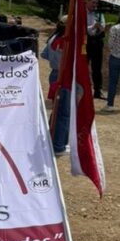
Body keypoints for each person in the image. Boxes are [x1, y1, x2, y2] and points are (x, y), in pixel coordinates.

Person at [41, 16, 70, 156]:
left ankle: (52, 138)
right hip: (63, 76)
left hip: (55, 73)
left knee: (57, 109)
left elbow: (44, 54)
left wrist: (54, 60)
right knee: (63, 112)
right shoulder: (64, 40)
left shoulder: (53, 37)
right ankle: (58, 145)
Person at [86, 0, 106, 98]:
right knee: (83, 66)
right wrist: (93, 26)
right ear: (87, 1)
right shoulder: (82, 13)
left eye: (96, 3)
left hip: (97, 43)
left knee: (97, 68)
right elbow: (83, 29)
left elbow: (102, 27)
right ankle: (82, 88)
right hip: (85, 43)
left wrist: (99, 27)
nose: (95, 5)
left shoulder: (99, 14)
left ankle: (98, 90)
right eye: (93, 2)